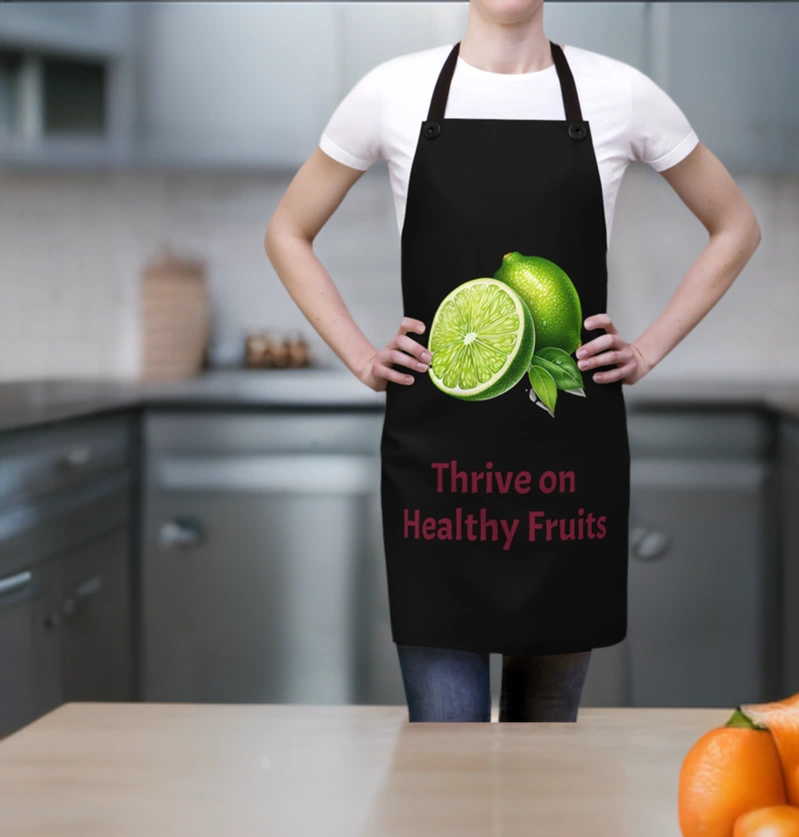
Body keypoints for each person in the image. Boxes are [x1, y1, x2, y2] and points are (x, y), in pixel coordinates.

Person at [265, 0, 760, 724]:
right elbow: (287, 230)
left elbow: (736, 226)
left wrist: (648, 348)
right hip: (438, 475)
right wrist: (362, 357)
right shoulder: (391, 91)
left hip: (566, 475)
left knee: (548, 756)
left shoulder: (619, 93)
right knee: (446, 747)